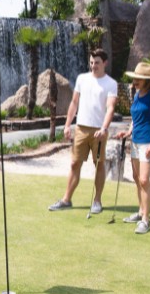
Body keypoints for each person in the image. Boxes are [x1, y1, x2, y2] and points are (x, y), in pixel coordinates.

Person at [49, 50, 118, 214]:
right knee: (74, 163)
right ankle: (66, 199)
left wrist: (104, 128)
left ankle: (97, 201)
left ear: (105, 63)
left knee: (99, 164)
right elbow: (74, 103)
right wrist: (67, 125)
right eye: (92, 62)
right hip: (81, 128)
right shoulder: (82, 79)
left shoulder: (111, 83)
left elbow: (110, 108)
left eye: (97, 63)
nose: (94, 66)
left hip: (99, 132)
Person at [120, 61, 150, 234]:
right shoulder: (137, 95)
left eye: (140, 79)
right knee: (137, 179)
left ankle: (146, 219)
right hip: (135, 142)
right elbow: (135, 118)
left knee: (144, 180)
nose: (136, 81)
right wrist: (128, 131)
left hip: (147, 142)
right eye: (135, 78)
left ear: (148, 80)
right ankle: (140, 212)